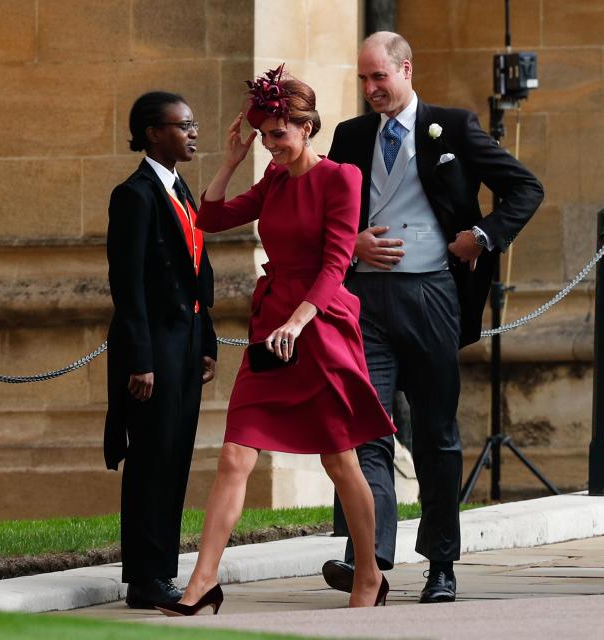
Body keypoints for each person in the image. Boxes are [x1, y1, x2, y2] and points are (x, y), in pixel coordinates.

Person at [155, 66, 395, 617]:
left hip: (321, 325)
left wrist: (299, 321)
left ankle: (369, 573)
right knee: (236, 454)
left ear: (307, 127)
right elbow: (208, 218)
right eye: (264, 135)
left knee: (340, 460)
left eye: (279, 134)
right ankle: (203, 582)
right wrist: (231, 162)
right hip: (272, 328)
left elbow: (337, 261)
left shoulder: (342, 178)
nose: (270, 144)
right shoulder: (272, 181)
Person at [322, 31, 544, 603]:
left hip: (433, 296)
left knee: (437, 437)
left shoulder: (455, 126)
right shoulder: (349, 136)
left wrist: (481, 236)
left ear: (406, 70)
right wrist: (351, 248)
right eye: (364, 79)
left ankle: (441, 563)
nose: (371, 89)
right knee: (364, 428)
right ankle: (367, 559)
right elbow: (323, 214)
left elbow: (525, 187)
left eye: (380, 77)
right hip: (365, 303)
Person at [104, 91, 218, 609]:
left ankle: (161, 570)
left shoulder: (180, 189)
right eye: (183, 126)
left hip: (186, 346)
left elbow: (197, 275)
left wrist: (208, 342)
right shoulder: (135, 194)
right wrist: (140, 360)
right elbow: (127, 285)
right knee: (150, 460)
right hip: (154, 351)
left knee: (174, 459)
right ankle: (144, 577)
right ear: (153, 133)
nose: (193, 133)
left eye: (193, 126)